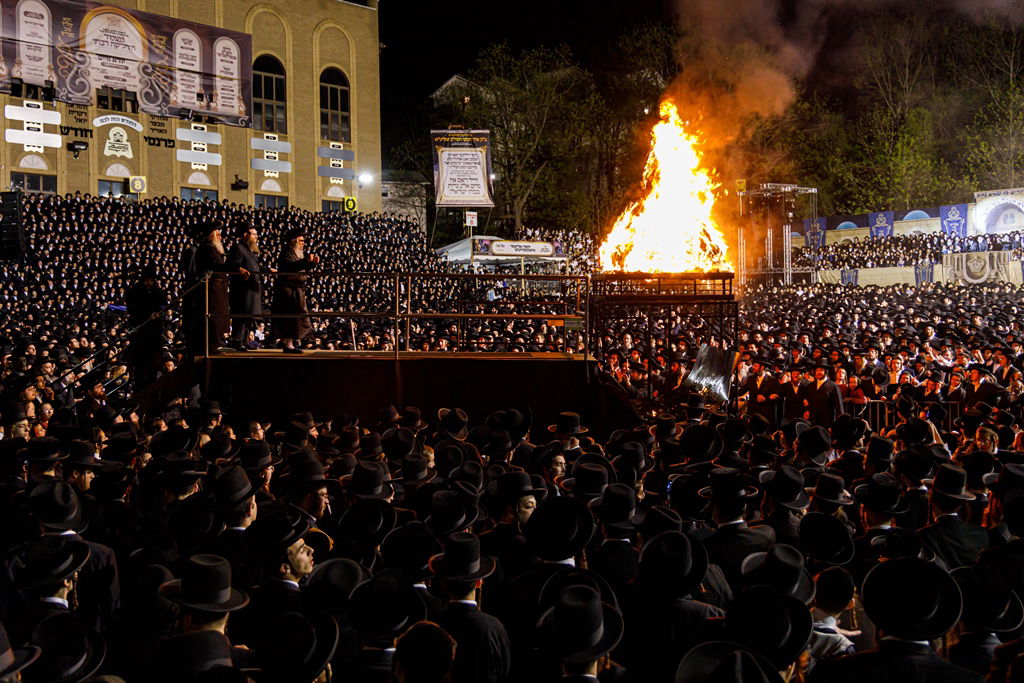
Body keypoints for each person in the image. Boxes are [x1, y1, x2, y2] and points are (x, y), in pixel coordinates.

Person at [273, 227, 320, 353]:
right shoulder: (286, 252)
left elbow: (299, 267)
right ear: (293, 240)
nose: (303, 243)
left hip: (296, 288)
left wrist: (311, 264)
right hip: (288, 289)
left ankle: (291, 343)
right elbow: (290, 267)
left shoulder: (296, 252)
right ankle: (288, 345)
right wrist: (305, 262)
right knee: (290, 318)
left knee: (296, 318)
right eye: (301, 241)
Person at [227, 222, 272, 351]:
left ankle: (245, 340)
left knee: (249, 316)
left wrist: (267, 269)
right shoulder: (238, 248)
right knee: (242, 315)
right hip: (242, 289)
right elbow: (232, 265)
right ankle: (237, 341)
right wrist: (240, 269)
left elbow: (253, 267)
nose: (256, 237)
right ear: (245, 235)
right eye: (253, 234)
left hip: (251, 288)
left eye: (256, 234)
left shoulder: (249, 250)